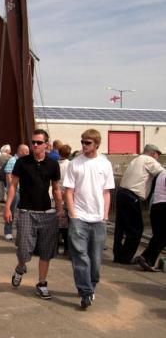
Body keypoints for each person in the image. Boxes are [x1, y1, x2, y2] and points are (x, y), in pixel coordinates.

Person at [4, 129, 63, 300]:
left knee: (46, 251)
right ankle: (21, 267)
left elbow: (57, 188)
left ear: (46, 144)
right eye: (33, 142)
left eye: (38, 142)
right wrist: (7, 208)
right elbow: (13, 185)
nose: (35, 145)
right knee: (23, 249)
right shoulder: (22, 162)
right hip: (26, 211)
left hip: (47, 213)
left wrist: (59, 208)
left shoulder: (53, 164)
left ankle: (42, 283)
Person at [63, 129, 115, 309]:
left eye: (88, 143)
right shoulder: (74, 164)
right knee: (80, 257)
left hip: (98, 218)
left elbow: (107, 192)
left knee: (96, 259)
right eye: (82, 142)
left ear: (96, 144)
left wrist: (105, 215)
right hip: (79, 217)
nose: (84, 145)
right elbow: (68, 191)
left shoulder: (105, 164)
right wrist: (73, 214)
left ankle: (91, 286)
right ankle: (85, 292)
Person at [113, 144, 164, 264]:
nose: (158, 158)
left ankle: (118, 255)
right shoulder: (148, 160)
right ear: (153, 153)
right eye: (158, 155)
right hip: (132, 196)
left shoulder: (136, 160)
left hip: (122, 193)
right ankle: (126, 257)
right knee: (136, 229)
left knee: (120, 227)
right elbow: (162, 173)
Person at [135, 170, 166, 271]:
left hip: (156, 206)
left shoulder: (162, 173)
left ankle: (145, 257)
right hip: (163, 207)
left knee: (158, 236)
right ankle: (148, 260)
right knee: (161, 237)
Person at [3, 144, 30, 241]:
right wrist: (12, 189)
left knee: (23, 212)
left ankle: (21, 233)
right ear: (20, 151)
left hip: (23, 190)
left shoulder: (25, 162)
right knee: (11, 211)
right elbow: (8, 175)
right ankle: (8, 232)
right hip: (15, 191)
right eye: (26, 151)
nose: (28, 153)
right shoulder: (12, 160)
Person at [57, 144, 72, 255]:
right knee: (67, 225)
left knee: (58, 224)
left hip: (57, 195)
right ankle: (67, 249)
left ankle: (55, 247)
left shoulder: (56, 164)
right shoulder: (70, 165)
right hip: (68, 195)